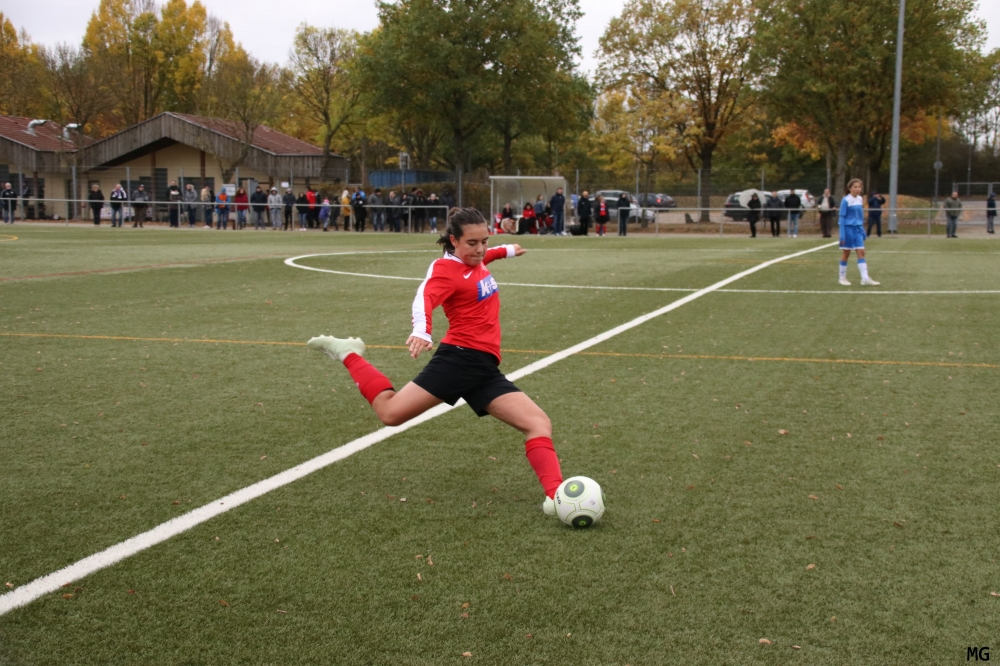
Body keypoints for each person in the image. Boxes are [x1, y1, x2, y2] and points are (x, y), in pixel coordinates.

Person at [306, 208, 564, 517]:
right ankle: (347, 352)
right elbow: (424, 297)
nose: (480, 249)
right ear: (454, 241)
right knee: (390, 413)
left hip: (482, 366)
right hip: (459, 359)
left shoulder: (475, 258)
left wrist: (506, 250)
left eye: (484, 241)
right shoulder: (445, 269)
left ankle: (556, 497)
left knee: (538, 424)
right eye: (472, 243)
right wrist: (422, 330)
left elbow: (484, 259)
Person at [839, 178, 879, 286]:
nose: (857, 189)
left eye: (859, 187)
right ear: (850, 188)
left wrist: (862, 230)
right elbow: (842, 217)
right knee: (846, 253)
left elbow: (860, 217)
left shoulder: (860, 199)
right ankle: (842, 278)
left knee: (861, 252)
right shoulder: (846, 200)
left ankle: (865, 278)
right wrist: (842, 234)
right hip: (848, 229)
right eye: (855, 187)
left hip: (857, 229)